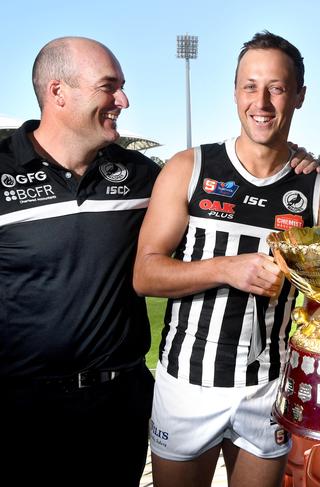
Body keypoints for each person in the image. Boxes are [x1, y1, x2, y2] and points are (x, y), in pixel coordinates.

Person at [133, 31, 320, 487]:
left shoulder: (319, 195)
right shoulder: (189, 168)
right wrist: (226, 268)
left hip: (268, 388)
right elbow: (144, 273)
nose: (261, 102)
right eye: (250, 86)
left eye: (277, 88)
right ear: (234, 92)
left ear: (300, 96)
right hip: (187, 383)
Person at [0, 37, 158, 486]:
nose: (122, 100)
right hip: (21, 412)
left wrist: (288, 161)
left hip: (118, 405)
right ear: (58, 92)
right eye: (109, 87)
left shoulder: (142, 175)